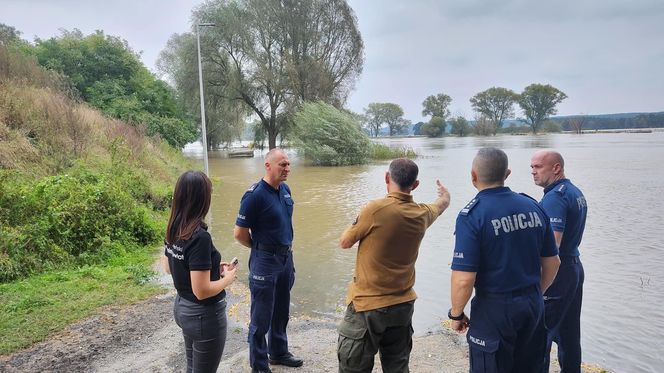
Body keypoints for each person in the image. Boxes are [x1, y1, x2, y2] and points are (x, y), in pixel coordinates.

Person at [450, 147, 560, 372]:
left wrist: (456, 313)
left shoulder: (472, 216)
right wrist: (534, 293)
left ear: (473, 175)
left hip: (494, 309)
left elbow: (463, 279)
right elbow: (553, 262)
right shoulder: (533, 206)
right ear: (507, 174)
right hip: (533, 304)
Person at [337, 158, 451, 373]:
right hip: (402, 304)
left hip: (367, 306)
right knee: (397, 366)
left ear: (387, 178)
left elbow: (345, 242)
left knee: (354, 366)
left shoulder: (375, 209)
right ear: (415, 185)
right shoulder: (422, 214)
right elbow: (441, 205)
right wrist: (444, 194)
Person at [233, 148, 303, 373]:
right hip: (264, 260)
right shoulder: (254, 196)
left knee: (281, 310)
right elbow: (239, 234)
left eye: (288, 164)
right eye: (282, 164)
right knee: (261, 316)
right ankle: (260, 366)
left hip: (285, 258)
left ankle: (279, 352)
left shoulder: (285, 190)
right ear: (268, 165)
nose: (287, 169)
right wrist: (260, 249)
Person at [162, 171, 238, 373]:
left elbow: (169, 266)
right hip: (203, 315)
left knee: (192, 367)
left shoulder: (174, 227)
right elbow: (201, 291)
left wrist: (210, 266)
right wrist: (227, 279)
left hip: (183, 308)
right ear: (203, 199)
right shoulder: (199, 236)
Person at [531, 150, 587, 373]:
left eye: (538, 167)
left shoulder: (555, 198)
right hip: (574, 267)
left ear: (556, 168)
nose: (533, 172)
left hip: (559, 272)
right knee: (569, 334)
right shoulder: (573, 191)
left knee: (540, 335)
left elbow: (552, 246)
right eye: (532, 167)